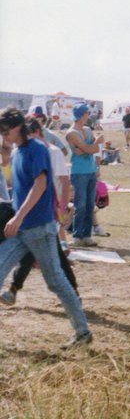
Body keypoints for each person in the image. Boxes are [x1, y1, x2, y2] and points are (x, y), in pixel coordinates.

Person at [0, 107, 92, 349]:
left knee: (55, 281)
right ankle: (82, 332)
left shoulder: (37, 149)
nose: (2, 134)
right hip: (22, 228)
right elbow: (17, 183)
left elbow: (40, 185)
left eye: (3, 129)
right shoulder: (18, 151)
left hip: (39, 228)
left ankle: (82, 332)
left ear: (16, 126)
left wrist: (18, 217)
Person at [0, 118, 78, 307]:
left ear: (36, 132)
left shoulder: (51, 151)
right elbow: (9, 168)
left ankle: (72, 292)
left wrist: (61, 207)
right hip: (26, 209)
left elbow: (63, 182)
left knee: (53, 255)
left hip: (44, 210)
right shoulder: (21, 151)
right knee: (29, 250)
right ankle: (13, 290)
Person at [65, 102, 103, 247]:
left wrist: (87, 148)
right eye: (87, 113)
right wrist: (94, 144)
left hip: (91, 171)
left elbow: (86, 149)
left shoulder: (87, 130)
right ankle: (77, 235)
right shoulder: (71, 133)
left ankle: (87, 235)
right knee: (80, 205)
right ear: (82, 115)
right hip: (79, 172)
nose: (89, 115)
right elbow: (88, 149)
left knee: (89, 204)